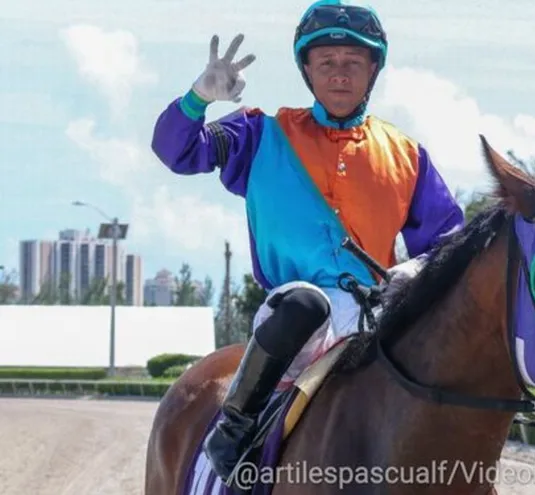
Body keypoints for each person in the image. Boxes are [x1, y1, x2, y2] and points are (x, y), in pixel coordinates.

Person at [149, 0, 464, 483]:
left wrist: (411, 274)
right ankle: (232, 429)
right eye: (327, 64)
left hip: (376, 314)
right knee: (305, 304)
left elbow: (448, 247)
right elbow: (177, 151)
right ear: (308, 72)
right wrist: (198, 97)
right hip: (291, 317)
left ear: (373, 70)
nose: (340, 75)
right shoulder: (260, 134)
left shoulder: (407, 155)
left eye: (353, 64)